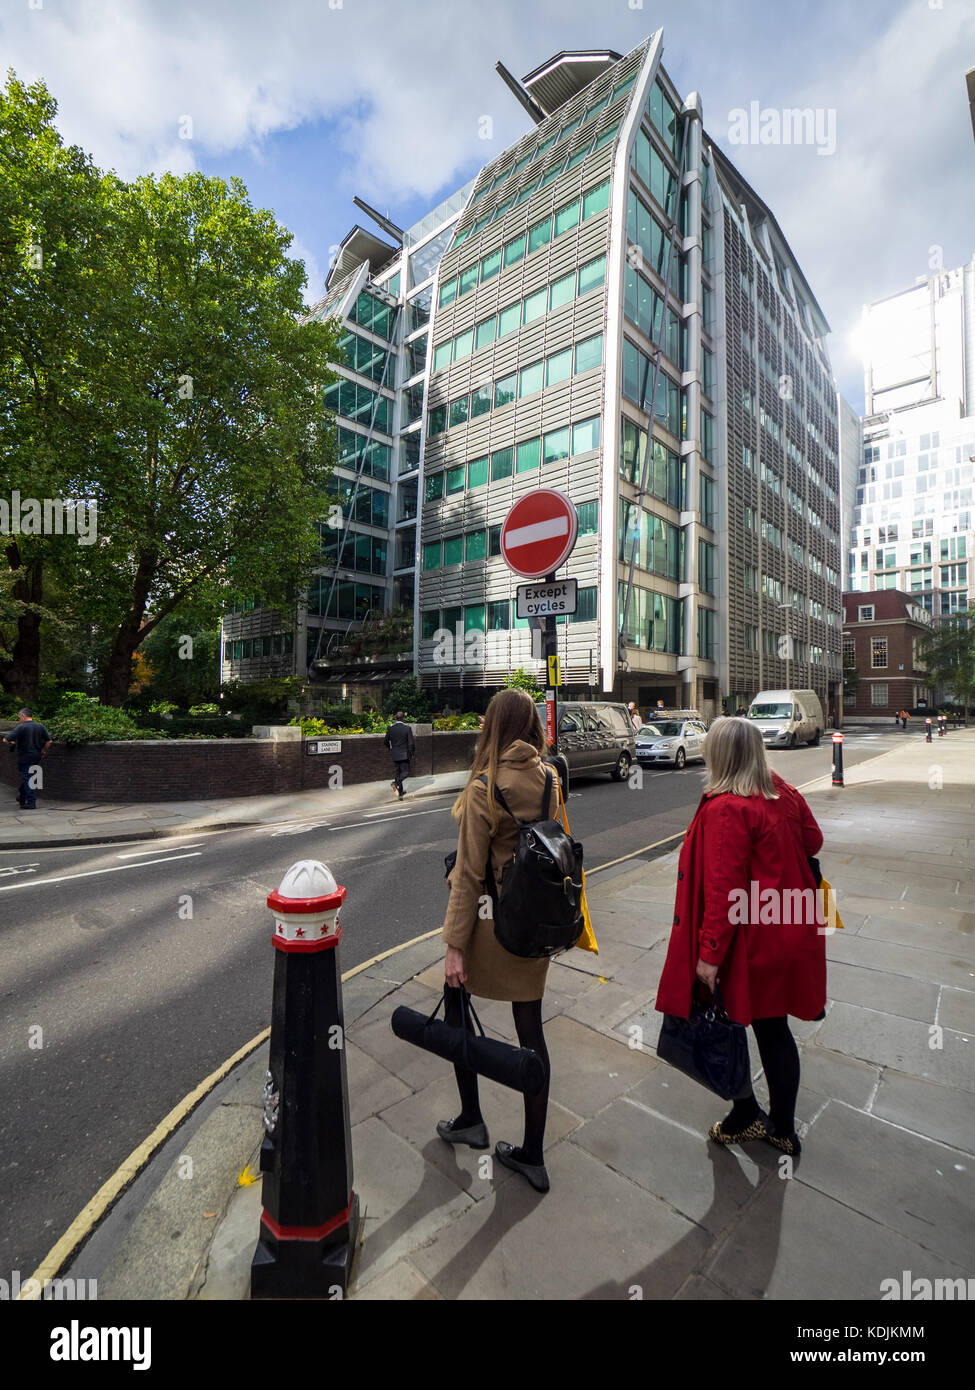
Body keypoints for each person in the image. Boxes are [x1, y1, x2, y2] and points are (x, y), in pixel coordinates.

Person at [655, 716, 826, 1157]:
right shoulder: (780, 793)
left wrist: (708, 958)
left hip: (754, 941)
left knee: (724, 1027)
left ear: (720, 754)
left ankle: (746, 1113)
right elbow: (814, 840)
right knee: (775, 1031)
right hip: (790, 928)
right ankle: (782, 1129)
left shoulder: (728, 807)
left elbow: (722, 890)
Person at [440, 687, 558, 1192]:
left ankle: (471, 1118)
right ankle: (533, 1152)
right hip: (532, 924)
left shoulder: (484, 788)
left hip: (488, 924)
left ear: (491, 726)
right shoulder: (551, 777)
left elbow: (468, 876)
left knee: (455, 1010)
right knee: (531, 1033)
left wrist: (452, 946)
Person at [3, 708, 53, 810]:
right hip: (36, 756)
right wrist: (43, 751)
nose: (19, 720)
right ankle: (21, 796)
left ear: (23, 716)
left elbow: (5, 739)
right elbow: (49, 741)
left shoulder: (21, 727)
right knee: (29, 777)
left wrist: (11, 743)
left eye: (19, 717)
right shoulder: (40, 726)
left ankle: (31, 802)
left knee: (28, 778)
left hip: (25, 757)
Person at [383, 711, 415, 799]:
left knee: (398, 773)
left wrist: (391, 749)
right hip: (404, 755)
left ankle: (400, 793)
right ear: (403, 718)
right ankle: (395, 783)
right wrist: (412, 753)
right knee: (406, 772)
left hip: (395, 754)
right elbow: (411, 743)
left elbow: (385, 741)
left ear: (396, 718)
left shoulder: (391, 728)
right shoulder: (407, 728)